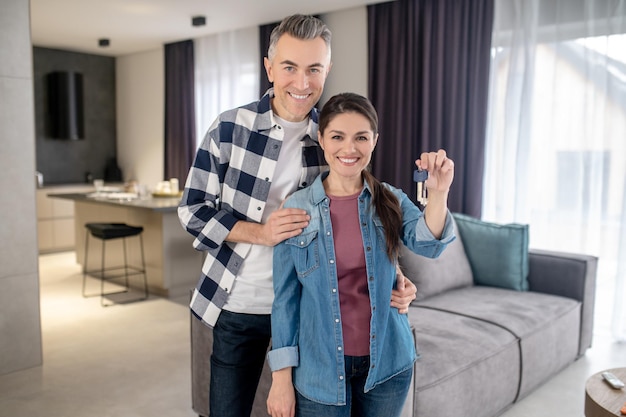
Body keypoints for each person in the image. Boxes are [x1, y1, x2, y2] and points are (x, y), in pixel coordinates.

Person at [178, 15, 418, 417]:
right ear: (270, 67)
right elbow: (192, 210)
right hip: (239, 304)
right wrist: (260, 232)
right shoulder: (229, 129)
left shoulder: (331, 137)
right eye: (289, 67)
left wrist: (396, 276)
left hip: (314, 314)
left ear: (327, 70)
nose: (302, 83)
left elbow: (363, 215)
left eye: (314, 69)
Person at [266, 92, 456, 417]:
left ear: (375, 141)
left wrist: (438, 193)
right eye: (338, 136)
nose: (349, 148)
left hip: (388, 366)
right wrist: (281, 378)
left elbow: (429, 243)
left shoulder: (390, 200)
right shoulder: (297, 209)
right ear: (322, 139)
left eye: (361, 138)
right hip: (319, 372)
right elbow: (285, 300)